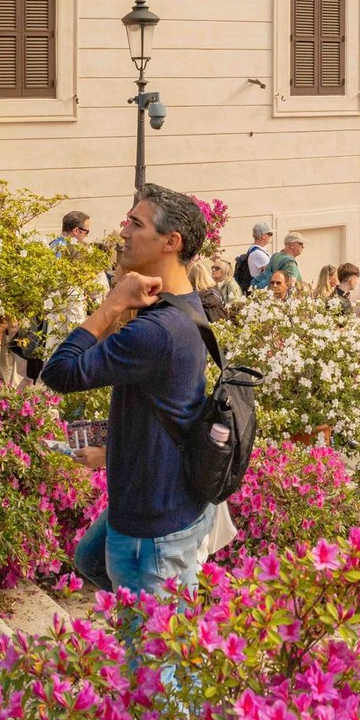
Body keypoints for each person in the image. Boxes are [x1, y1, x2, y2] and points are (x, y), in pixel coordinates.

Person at [43, 186, 217, 601]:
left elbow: (59, 372)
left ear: (170, 242)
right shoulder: (180, 307)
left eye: (135, 224)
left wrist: (112, 304)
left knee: (154, 643)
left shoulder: (157, 331)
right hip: (168, 500)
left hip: (153, 527)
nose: (123, 232)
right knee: (90, 559)